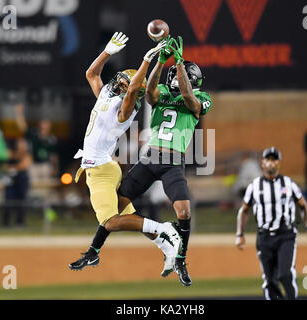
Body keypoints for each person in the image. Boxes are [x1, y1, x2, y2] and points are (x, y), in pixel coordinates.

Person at [90, 36, 213, 287]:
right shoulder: (164, 91)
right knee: (117, 206)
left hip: (173, 162)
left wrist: (178, 65)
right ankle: (94, 249)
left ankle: (181, 258)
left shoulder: (201, 97)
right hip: (151, 156)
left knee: (184, 211)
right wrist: (160, 61)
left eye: (183, 78)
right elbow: (151, 92)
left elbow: (191, 102)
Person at [69, 32, 182, 277]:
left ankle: (165, 229)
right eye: (120, 80)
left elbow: (132, 92)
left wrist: (145, 61)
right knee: (127, 214)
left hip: (100, 168)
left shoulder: (126, 111)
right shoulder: (105, 95)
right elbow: (92, 74)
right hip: (101, 165)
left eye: (124, 84)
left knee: (110, 221)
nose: (118, 83)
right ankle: (165, 246)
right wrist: (107, 52)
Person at [235, 147, 307, 300]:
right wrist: (240, 234)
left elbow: (303, 205)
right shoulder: (255, 186)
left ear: (279, 163)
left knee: (285, 274)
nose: (271, 163)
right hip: (264, 237)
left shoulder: (288, 183)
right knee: (269, 280)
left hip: (285, 234)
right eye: (268, 159)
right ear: (262, 162)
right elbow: (244, 210)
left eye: (274, 159)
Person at [15, 103, 59, 181]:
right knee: (34, 186)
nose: (44, 126)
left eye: (46, 124)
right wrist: (19, 113)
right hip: (34, 165)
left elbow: (54, 155)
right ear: (40, 125)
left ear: (49, 126)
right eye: (43, 124)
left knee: (46, 186)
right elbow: (23, 127)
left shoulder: (51, 139)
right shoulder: (34, 134)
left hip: (45, 165)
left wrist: (55, 168)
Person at [1, 137, 33, 228]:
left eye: (23, 143)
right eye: (19, 143)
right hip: (10, 180)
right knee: (8, 200)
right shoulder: (10, 153)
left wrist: (13, 168)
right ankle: (5, 223)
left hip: (21, 179)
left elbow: (25, 164)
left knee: (21, 201)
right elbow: (3, 165)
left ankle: (20, 222)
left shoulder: (26, 155)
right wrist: (10, 167)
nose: (21, 145)